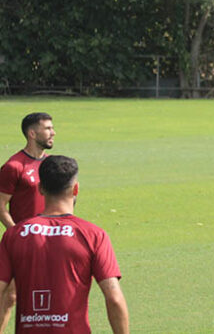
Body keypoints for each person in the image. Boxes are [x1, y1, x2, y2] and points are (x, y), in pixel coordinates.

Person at [0, 155, 129, 333]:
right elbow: (114, 298)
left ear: (40, 189)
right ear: (75, 189)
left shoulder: (13, 235)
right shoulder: (93, 235)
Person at [0, 112, 55, 331]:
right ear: (32, 133)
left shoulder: (52, 164)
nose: (53, 132)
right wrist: (18, 233)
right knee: (11, 296)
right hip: (22, 243)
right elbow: (1, 205)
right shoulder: (14, 166)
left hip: (50, 241)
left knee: (48, 296)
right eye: (48, 128)